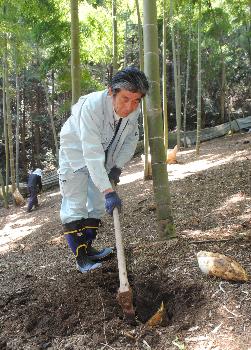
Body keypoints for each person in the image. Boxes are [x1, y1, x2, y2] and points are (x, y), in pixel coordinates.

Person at [58, 67, 149, 273]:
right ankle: (81, 258)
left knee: (98, 205)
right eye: (125, 99)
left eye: (136, 100)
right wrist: (109, 191)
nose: (130, 106)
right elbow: (90, 151)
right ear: (111, 91)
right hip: (76, 155)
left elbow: (131, 139)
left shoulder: (134, 110)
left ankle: (89, 249)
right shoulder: (92, 106)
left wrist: (116, 167)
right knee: (75, 204)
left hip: (104, 157)